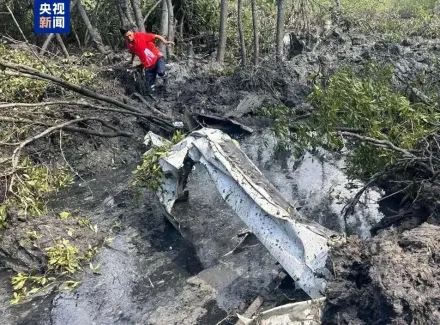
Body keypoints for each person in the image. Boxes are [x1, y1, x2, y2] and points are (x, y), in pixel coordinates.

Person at [120, 25, 174, 92]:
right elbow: (133, 52)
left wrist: (165, 41)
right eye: (126, 37)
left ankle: (166, 80)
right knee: (150, 86)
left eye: (130, 35)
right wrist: (131, 60)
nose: (129, 38)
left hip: (157, 58)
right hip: (148, 65)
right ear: (123, 37)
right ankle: (156, 96)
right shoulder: (128, 44)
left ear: (131, 32)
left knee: (161, 72)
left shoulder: (141, 36)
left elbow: (156, 36)